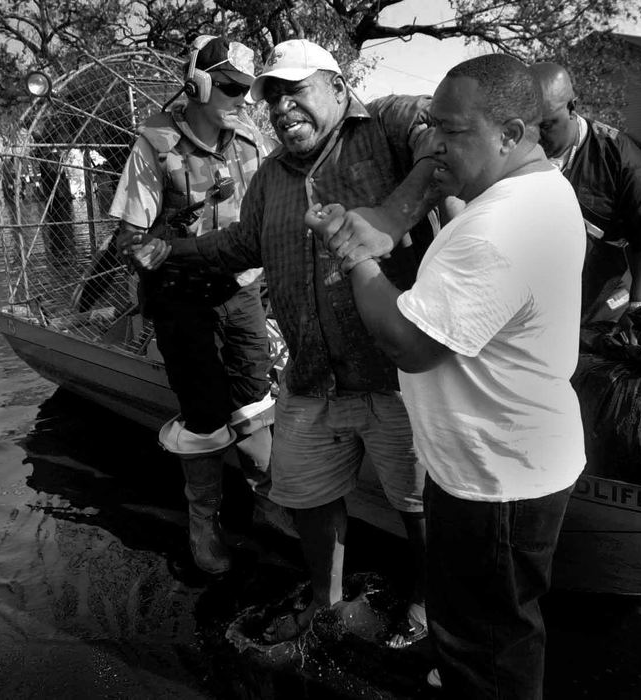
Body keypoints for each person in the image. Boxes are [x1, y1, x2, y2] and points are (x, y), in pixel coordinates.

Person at [131, 38, 441, 645]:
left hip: (398, 378)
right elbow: (241, 246)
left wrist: (393, 217)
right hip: (311, 379)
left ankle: (430, 601)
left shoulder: (388, 126)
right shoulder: (271, 175)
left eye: (294, 90)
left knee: (420, 505)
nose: (279, 107)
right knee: (304, 493)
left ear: (338, 88)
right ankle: (327, 603)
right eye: (270, 96)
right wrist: (173, 252)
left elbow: (447, 141)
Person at [307, 54, 586, 698]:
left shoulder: (497, 228)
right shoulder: (543, 191)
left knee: (490, 647)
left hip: (494, 482)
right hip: (511, 460)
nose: (433, 144)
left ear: (512, 133)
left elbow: (408, 344)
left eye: (453, 132)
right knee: (492, 625)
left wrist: (354, 254)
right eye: (432, 125)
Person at [109, 35, 275, 576]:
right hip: (182, 300)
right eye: (230, 87)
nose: (242, 99)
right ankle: (204, 524)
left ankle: (270, 512)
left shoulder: (250, 141)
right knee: (204, 415)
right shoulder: (154, 145)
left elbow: (268, 219)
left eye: (248, 90)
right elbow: (131, 240)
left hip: (242, 292)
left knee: (256, 402)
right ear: (199, 84)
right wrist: (181, 253)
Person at [530, 61, 641, 326]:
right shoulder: (513, 151)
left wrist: (639, 310)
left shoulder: (622, 159)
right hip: (536, 310)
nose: (536, 136)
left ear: (573, 107)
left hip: (600, 311)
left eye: (546, 125)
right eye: (528, 125)